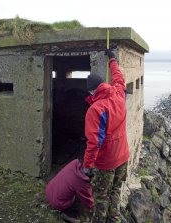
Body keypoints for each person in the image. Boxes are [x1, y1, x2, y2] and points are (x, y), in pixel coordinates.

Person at [83, 49, 129, 223]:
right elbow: (118, 77)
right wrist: (112, 59)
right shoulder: (118, 93)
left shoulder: (95, 110)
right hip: (123, 156)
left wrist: (87, 166)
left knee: (101, 197)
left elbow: (94, 142)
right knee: (116, 191)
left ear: (91, 92)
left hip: (106, 162)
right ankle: (114, 217)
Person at [45, 159, 94, 223]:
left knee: (71, 187)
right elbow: (88, 202)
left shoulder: (74, 163)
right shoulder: (81, 182)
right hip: (58, 202)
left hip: (49, 190)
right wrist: (93, 207)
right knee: (79, 200)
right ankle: (68, 215)